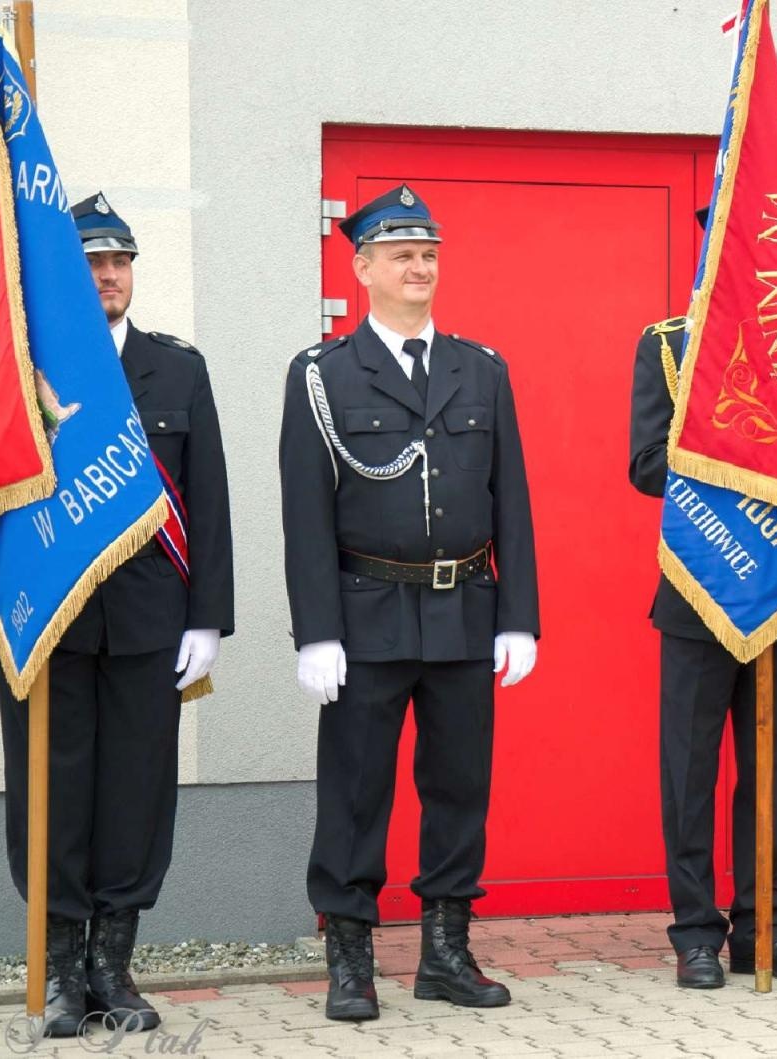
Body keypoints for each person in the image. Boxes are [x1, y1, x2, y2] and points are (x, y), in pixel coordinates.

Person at [279, 185, 539, 1020]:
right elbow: (304, 511)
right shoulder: (321, 374)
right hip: (365, 613)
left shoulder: (481, 368)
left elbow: (512, 504)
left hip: (463, 606)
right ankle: (350, 955)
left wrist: (519, 614)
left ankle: (446, 950)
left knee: (460, 784)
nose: (419, 267)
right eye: (401, 254)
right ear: (362, 268)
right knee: (357, 789)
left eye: (428, 253)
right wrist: (315, 631)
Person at [0, 193, 234, 1036]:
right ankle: (61, 971)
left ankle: (114, 968)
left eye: (121, 261)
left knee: (135, 793)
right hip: (52, 620)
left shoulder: (179, 369)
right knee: (54, 794)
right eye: (94, 262)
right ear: (68, 271)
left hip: (147, 620)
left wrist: (208, 619)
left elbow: (207, 498)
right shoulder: (28, 369)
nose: (109, 276)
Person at [628, 206, 777, 990]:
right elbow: (645, 464)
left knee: (771, 770)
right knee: (688, 773)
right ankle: (694, 932)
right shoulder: (668, 346)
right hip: (697, 588)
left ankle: (768, 926)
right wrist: (721, 443)